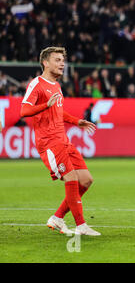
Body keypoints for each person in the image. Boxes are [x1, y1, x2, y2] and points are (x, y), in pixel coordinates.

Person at [20, 46, 100, 236]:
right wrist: (44, 105)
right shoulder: (37, 84)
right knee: (71, 179)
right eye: (57, 60)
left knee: (86, 180)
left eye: (63, 60)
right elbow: (24, 110)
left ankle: (57, 218)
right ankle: (81, 225)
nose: (62, 63)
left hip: (63, 140)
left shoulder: (56, 85)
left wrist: (76, 121)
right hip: (48, 142)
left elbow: (57, 110)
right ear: (45, 63)